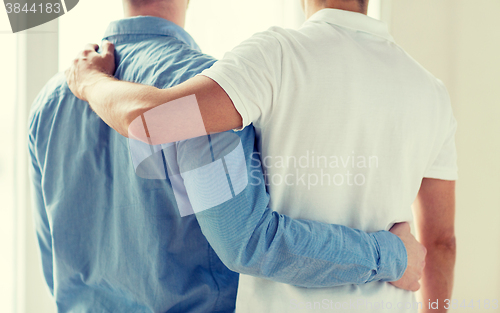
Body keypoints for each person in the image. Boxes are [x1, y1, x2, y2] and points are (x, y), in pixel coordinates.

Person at [30, 0, 425, 312]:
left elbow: (54, 261)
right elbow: (248, 241)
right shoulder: (205, 95)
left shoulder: (49, 101)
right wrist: (392, 255)